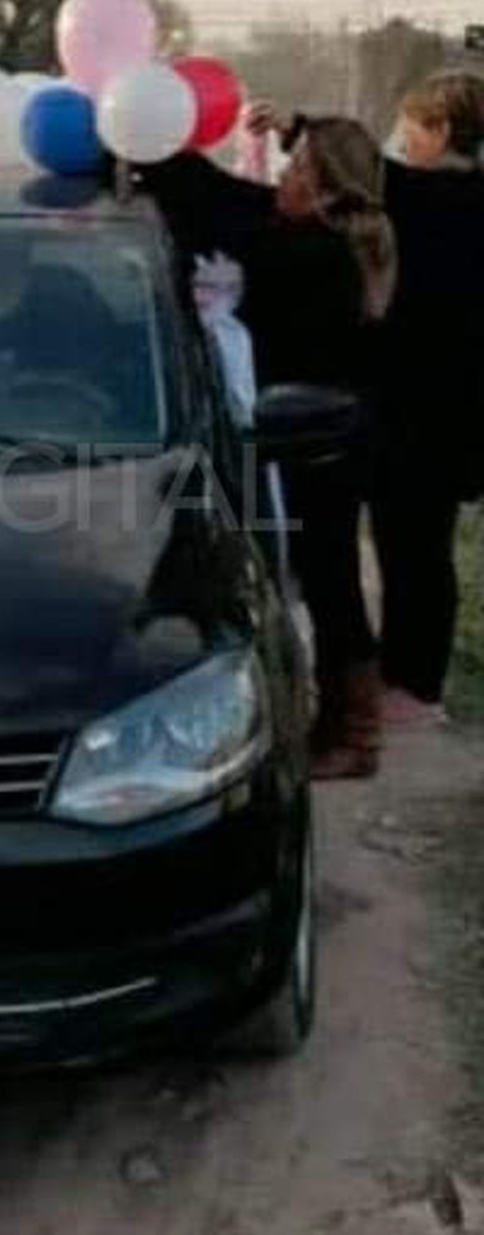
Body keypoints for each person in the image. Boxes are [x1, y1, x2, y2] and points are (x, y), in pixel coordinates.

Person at [145, 118, 396, 780]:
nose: (279, 179)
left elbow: (237, 221)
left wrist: (163, 158)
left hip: (319, 440)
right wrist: (159, 150)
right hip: (328, 436)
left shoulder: (311, 253)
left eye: (294, 172)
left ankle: (354, 736)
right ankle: (340, 724)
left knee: (330, 582)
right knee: (327, 577)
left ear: (320, 191)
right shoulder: (332, 234)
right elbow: (233, 198)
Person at [373, 73, 484, 724]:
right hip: (459, 406)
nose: (403, 139)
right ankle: (418, 680)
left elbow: (360, 170)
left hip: (419, 403)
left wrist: (299, 130)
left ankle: (409, 683)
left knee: (407, 545)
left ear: (440, 129)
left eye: (412, 126)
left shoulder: (421, 195)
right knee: (426, 545)